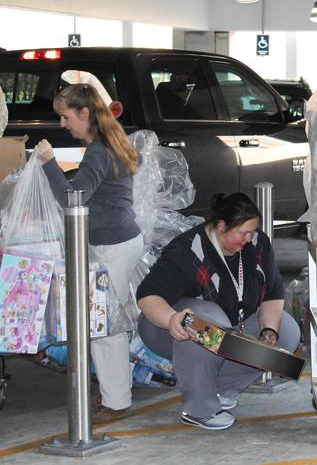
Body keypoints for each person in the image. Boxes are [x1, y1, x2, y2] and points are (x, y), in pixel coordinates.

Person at [136, 192, 300, 431]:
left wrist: (269, 330)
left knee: (287, 331)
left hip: (231, 328)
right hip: (167, 325)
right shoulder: (186, 249)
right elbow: (148, 296)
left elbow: (273, 293)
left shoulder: (258, 244)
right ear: (221, 226)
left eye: (252, 232)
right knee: (204, 323)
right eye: (243, 233)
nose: (249, 238)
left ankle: (222, 389)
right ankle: (199, 409)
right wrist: (172, 319)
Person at [35, 83, 143, 423]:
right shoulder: (106, 143)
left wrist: (49, 163)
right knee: (103, 325)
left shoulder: (98, 150)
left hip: (111, 247)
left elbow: (73, 199)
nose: (63, 124)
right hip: (115, 242)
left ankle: (117, 402)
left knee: (104, 327)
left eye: (66, 117)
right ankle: (114, 393)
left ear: (85, 113)